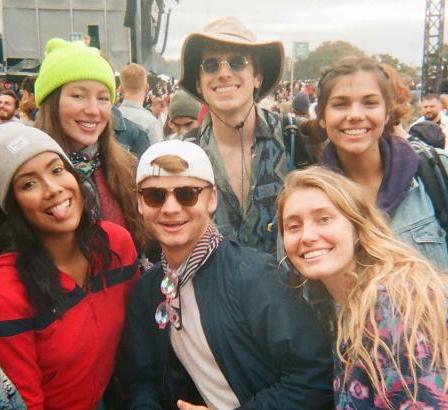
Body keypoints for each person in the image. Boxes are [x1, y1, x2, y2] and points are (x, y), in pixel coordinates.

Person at [124, 140, 333, 409]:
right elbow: (143, 381)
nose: (170, 208)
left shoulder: (255, 277)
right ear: (140, 203)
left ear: (212, 199)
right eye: (155, 196)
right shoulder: (148, 290)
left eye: (187, 194)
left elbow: (314, 377)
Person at [277, 166, 448, 408]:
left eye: (324, 219)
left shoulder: (394, 309)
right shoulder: (350, 304)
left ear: (357, 226)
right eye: (293, 226)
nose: (307, 236)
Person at [315, 56, 448, 334]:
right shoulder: (308, 200)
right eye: (340, 104)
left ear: (388, 111)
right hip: (353, 369)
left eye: (370, 103)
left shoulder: (444, 176)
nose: (355, 114)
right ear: (322, 116)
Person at [0, 122, 141, 409]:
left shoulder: (115, 244)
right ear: (12, 205)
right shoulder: (7, 293)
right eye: (28, 184)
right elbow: (25, 402)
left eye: (57, 170)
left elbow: (139, 336)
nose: (52, 189)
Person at [179, 17, 289, 254]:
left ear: (257, 77)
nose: (224, 73)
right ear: (199, 83)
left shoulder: (296, 140)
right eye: (211, 65)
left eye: (237, 62)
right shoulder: (182, 154)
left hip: (287, 289)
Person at [33, 38, 147, 253]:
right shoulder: (24, 175)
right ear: (51, 102)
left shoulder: (128, 169)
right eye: (78, 96)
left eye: (103, 98)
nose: (94, 110)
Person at [119, 63, 164, 143]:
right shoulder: (151, 122)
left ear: (121, 89)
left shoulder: (110, 117)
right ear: (146, 88)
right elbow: (159, 153)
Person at [414, 93, 448, 158]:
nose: (428, 110)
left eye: (432, 106)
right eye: (425, 107)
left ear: (440, 107)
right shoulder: (416, 126)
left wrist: (438, 150)